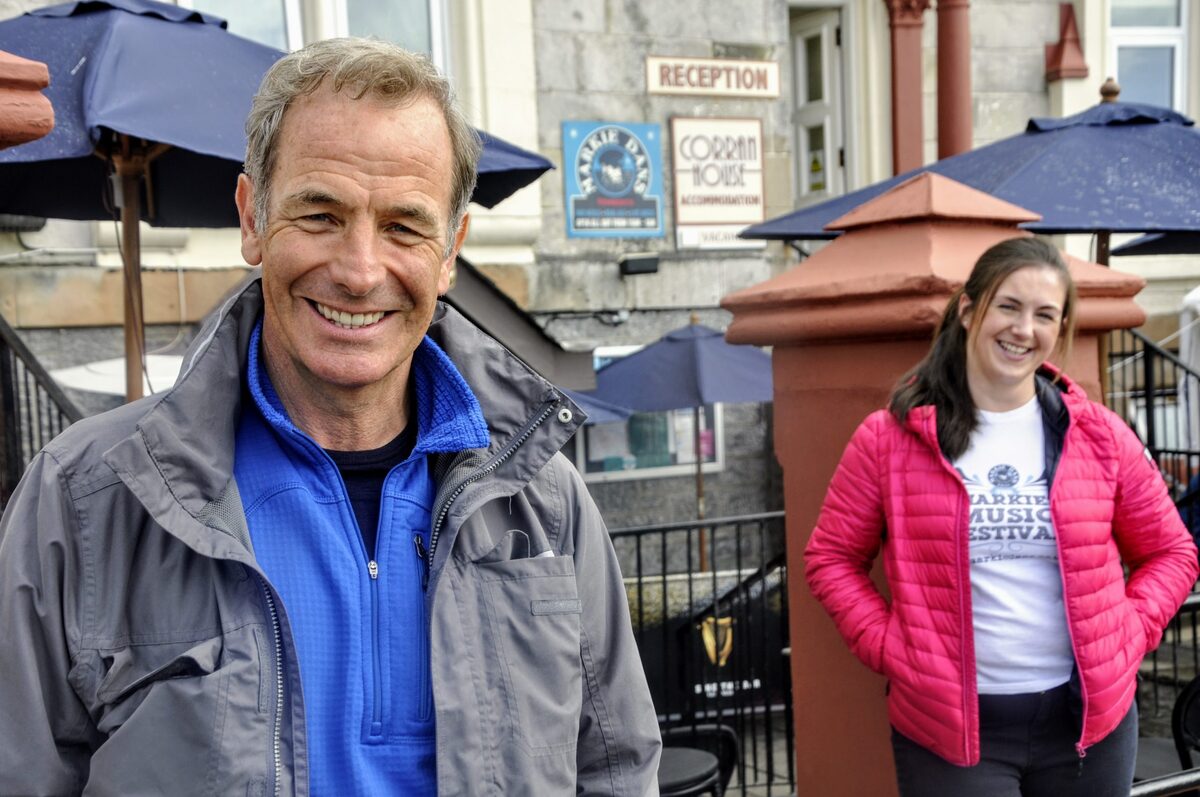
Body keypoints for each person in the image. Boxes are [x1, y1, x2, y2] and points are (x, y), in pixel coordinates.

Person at [0, 38, 661, 795]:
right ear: (253, 218)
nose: (359, 269)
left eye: (405, 226)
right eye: (320, 213)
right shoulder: (82, 501)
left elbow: (616, 767)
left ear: (451, 251)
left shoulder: (545, 502)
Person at [805, 237, 1199, 796]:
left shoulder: (1100, 436)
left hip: (1089, 726)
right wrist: (895, 648)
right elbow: (830, 558)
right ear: (969, 311)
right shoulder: (889, 438)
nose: (1023, 329)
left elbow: (1173, 552)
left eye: (1044, 315)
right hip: (951, 733)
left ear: (1058, 330)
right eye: (1008, 307)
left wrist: (1128, 635)